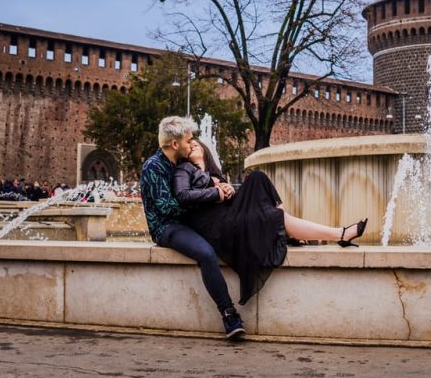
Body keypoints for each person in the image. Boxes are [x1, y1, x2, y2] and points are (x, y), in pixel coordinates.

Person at [173, 139, 367, 306]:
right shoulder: (184, 169)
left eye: (197, 144)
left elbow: (226, 199)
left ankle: (286, 225)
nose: (193, 146)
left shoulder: (216, 172)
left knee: (257, 177)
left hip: (229, 215)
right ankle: (339, 234)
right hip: (216, 226)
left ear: (206, 150)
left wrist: (229, 190)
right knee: (276, 217)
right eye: (189, 146)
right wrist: (215, 190)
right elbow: (183, 195)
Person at [140, 116, 245, 340]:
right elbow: (167, 208)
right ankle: (229, 314)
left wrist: (218, 187)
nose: (192, 144)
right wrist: (211, 196)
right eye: (189, 141)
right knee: (206, 253)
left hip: (190, 219)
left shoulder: (179, 163)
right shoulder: (153, 167)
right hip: (167, 227)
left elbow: (194, 192)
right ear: (175, 144)